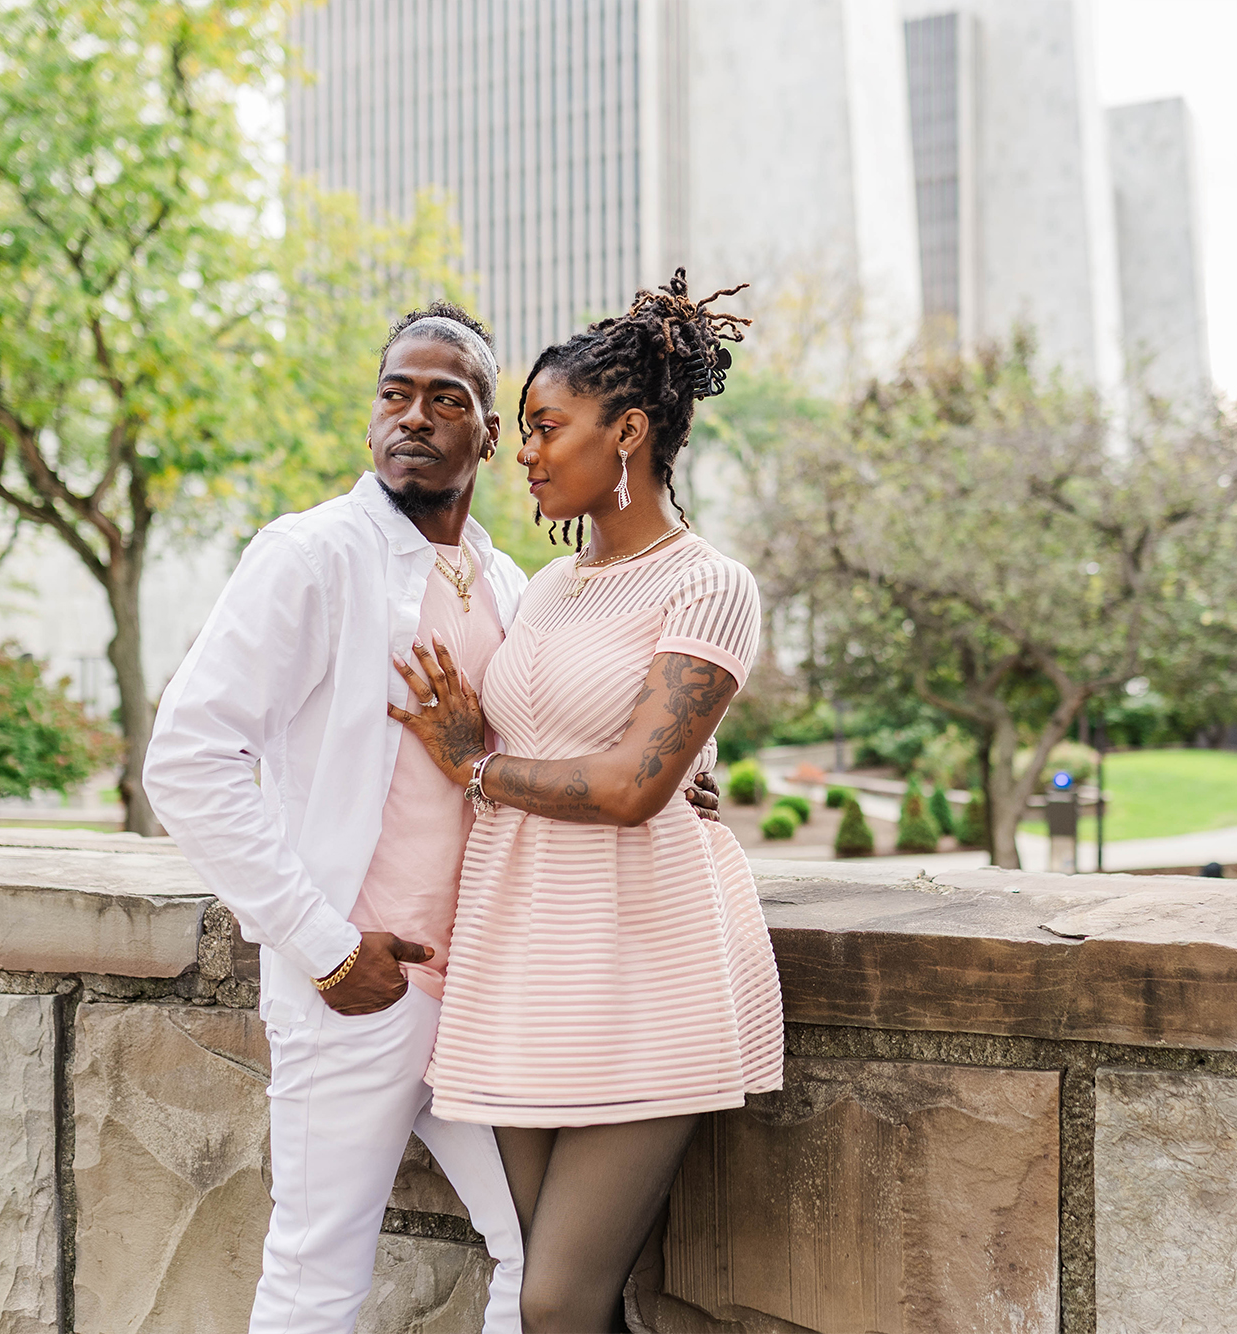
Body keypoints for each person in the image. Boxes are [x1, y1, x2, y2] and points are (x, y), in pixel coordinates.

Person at [146, 302, 718, 1334]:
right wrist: (323, 946)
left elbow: (562, 734)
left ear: (490, 435)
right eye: (393, 393)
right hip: (356, 986)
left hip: (491, 998)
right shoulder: (310, 554)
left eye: (446, 398)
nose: (413, 414)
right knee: (317, 1271)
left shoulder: (510, 584)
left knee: (534, 1261)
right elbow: (186, 760)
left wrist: (681, 769)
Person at [389, 271, 784, 1333]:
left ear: (628, 430)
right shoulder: (545, 587)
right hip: (524, 962)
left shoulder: (707, 583)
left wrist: (475, 764)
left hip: (646, 961)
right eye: (520, 429)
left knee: (560, 1301)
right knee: (548, 1292)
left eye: (543, 426)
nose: (520, 450)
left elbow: (628, 785)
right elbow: (570, 740)